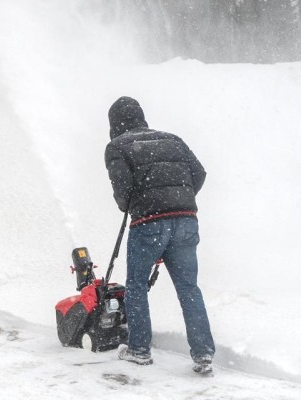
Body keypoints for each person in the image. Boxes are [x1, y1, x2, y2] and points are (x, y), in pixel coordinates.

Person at [104, 96, 215, 374]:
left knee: (137, 286)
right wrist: (178, 200)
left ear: (114, 123)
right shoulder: (173, 139)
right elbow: (199, 173)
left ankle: (139, 350)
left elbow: (123, 190)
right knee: (189, 289)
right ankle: (203, 353)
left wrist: (140, 204)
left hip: (149, 223)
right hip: (186, 221)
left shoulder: (117, 146)